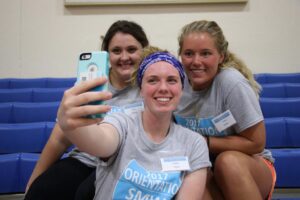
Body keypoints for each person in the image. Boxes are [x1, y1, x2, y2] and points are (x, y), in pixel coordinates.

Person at [57, 46, 211, 199]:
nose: (163, 88)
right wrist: (69, 124)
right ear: (141, 89)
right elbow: (98, 141)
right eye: (153, 80)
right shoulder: (122, 123)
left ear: (181, 88)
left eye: (172, 80)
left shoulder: (194, 144)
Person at [25, 20, 149, 200]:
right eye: (116, 51)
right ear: (106, 54)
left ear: (144, 50)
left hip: (127, 165)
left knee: (86, 193)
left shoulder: (150, 85)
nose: (124, 57)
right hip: (85, 160)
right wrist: (34, 181)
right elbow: (60, 138)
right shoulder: (90, 86)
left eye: (131, 49)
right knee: (40, 192)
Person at [174, 20, 276, 200]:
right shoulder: (175, 82)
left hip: (248, 166)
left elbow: (256, 143)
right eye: (189, 53)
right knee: (189, 167)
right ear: (180, 55)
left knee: (227, 162)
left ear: (221, 56)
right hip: (204, 167)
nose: (196, 61)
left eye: (206, 53)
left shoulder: (231, 83)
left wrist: (203, 142)